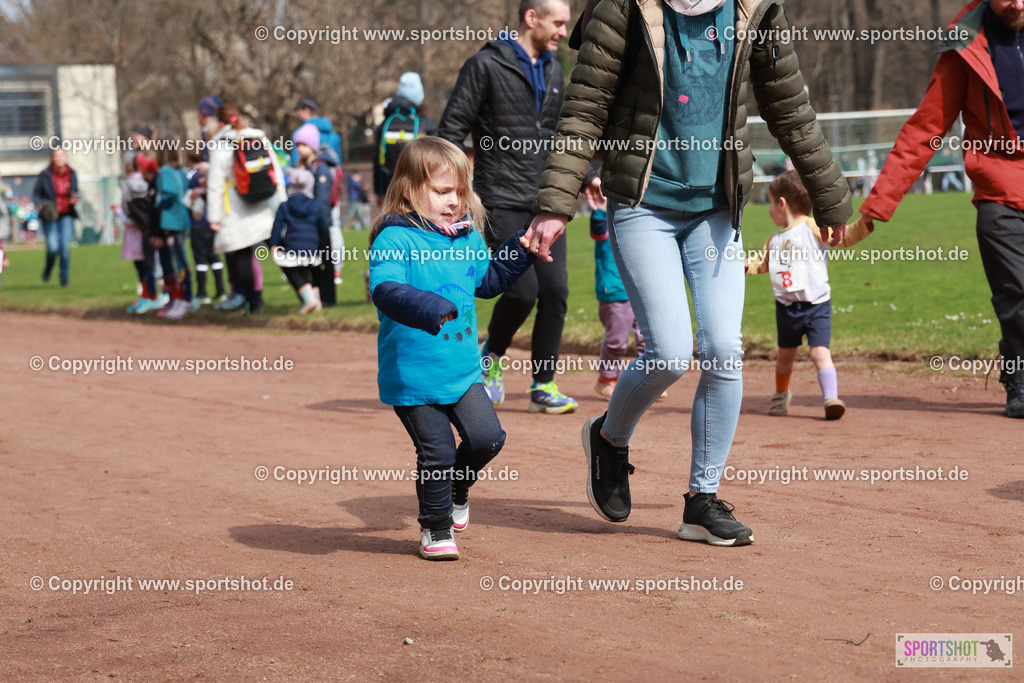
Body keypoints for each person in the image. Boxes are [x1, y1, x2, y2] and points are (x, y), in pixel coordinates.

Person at [524, 0, 852, 545]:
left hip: (716, 208)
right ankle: (609, 439)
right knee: (670, 352)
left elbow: (791, 107)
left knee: (723, 349)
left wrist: (830, 196)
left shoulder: (754, 8)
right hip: (642, 203)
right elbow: (585, 106)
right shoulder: (624, 5)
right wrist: (557, 204)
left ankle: (702, 500)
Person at [369, 137, 535, 560]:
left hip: (462, 372)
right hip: (413, 376)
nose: (454, 201)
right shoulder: (395, 238)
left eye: (460, 191)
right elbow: (384, 289)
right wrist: (426, 305)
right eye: (443, 191)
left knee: (487, 439)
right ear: (409, 189)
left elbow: (488, 282)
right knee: (438, 452)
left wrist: (521, 247)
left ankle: (458, 487)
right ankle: (436, 526)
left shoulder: (466, 237)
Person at [857, 0, 1024, 419]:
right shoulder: (964, 49)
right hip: (999, 190)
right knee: (1017, 293)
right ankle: (1019, 377)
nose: (1018, 4)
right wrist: (877, 205)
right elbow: (925, 130)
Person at [439, 0, 576, 414]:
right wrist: (462, 191)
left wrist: (584, 178)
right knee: (521, 291)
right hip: (498, 198)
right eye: (558, 23)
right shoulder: (484, 65)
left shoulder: (554, 69)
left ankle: (543, 385)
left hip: (546, 200)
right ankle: (491, 358)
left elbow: (562, 132)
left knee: (555, 292)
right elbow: (450, 131)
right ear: (531, 18)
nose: (563, 32)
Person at [746, 171, 873, 420]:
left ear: (782, 203)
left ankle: (831, 399)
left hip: (816, 306)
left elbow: (843, 237)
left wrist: (865, 222)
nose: (769, 210)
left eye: (770, 204)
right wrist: (745, 265)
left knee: (819, 353)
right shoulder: (775, 240)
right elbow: (762, 262)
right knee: (785, 356)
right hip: (786, 308)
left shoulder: (812, 226)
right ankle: (781, 395)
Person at [587, 180, 664, 402]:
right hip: (615, 292)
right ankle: (606, 380)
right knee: (617, 340)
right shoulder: (606, 221)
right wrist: (602, 208)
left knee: (645, 338)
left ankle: (647, 381)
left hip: (640, 289)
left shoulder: (642, 224)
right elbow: (598, 229)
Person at [206, 104, 286, 315]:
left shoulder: (220, 144)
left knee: (242, 256)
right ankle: (307, 292)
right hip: (267, 205)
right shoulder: (258, 136)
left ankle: (253, 303)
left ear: (220, 123)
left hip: (238, 211)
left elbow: (215, 184)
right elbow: (275, 169)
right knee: (280, 250)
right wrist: (282, 200)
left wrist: (214, 217)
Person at [270, 168, 329, 314]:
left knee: (295, 273)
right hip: (312, 248)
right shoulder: (315, 205)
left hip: (293, 247)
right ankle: (317, 301)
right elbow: (323, 226)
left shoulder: (285, 205)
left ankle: (309, 300)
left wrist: (274, 244)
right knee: (315, 272)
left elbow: (277, 226)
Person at [294, 122, 339, 306]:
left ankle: (328, 298)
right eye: (297, 145)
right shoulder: (303, 166)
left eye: (303, 144)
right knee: (311, 261)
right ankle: (316, 295)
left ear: (312, 145)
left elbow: (322, 199)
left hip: (320, 222)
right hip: (307, 222)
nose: (300, 148)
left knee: (325, 260)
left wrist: (312, 219)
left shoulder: (321, 167)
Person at [373, 72, 438, 199]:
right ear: (420, 95)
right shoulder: (426, 124)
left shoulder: (384, 125)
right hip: (419, 189)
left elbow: (377, 161)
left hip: (390, 190)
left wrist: (379, 192)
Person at [152, 150, 194, 320]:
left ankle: (184, 298)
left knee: (178, 261)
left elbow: (170, 193)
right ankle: (184, 297)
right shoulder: (181, 171)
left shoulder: (165, 171)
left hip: (173, 220)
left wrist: (158, 206)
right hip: (182, 218)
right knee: (180, 259)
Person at [122, 154, 165, 314]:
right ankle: (167, 294)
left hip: (141, 229)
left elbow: (126, 208)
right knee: (163, 262)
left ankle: (150, 296)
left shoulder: (128, 184)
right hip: (157, 226)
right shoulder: (154, 181)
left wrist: (136, 220)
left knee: (145, 264)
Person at [33, 148, 79, 287]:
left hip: (66, 214)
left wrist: (76, 198)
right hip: (50, 215)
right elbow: (36, 193)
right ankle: (48, 269)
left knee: (64, 247)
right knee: (53, 247)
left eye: (61, 155)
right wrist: (39, 204)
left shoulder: (72, 173)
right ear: (53, 158)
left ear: (65, 157)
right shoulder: (45, 174)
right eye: (56, 156)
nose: (59, 158)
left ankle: (64, 278)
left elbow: (76, 191)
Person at [185, 160, 226, 304]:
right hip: (211, 223)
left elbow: (189, 198)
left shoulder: (194, 179)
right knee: (214, 257)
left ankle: (203, 293)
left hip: (200, 226)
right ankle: (220, 291)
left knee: (202, 259)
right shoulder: (213, 178)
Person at [290, 97, 343, 167]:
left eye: (298, 111)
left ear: (306, 110)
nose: (297, 114)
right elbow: (338, 162)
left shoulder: (299, 134)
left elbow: (295, 161)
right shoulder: (334, 135)